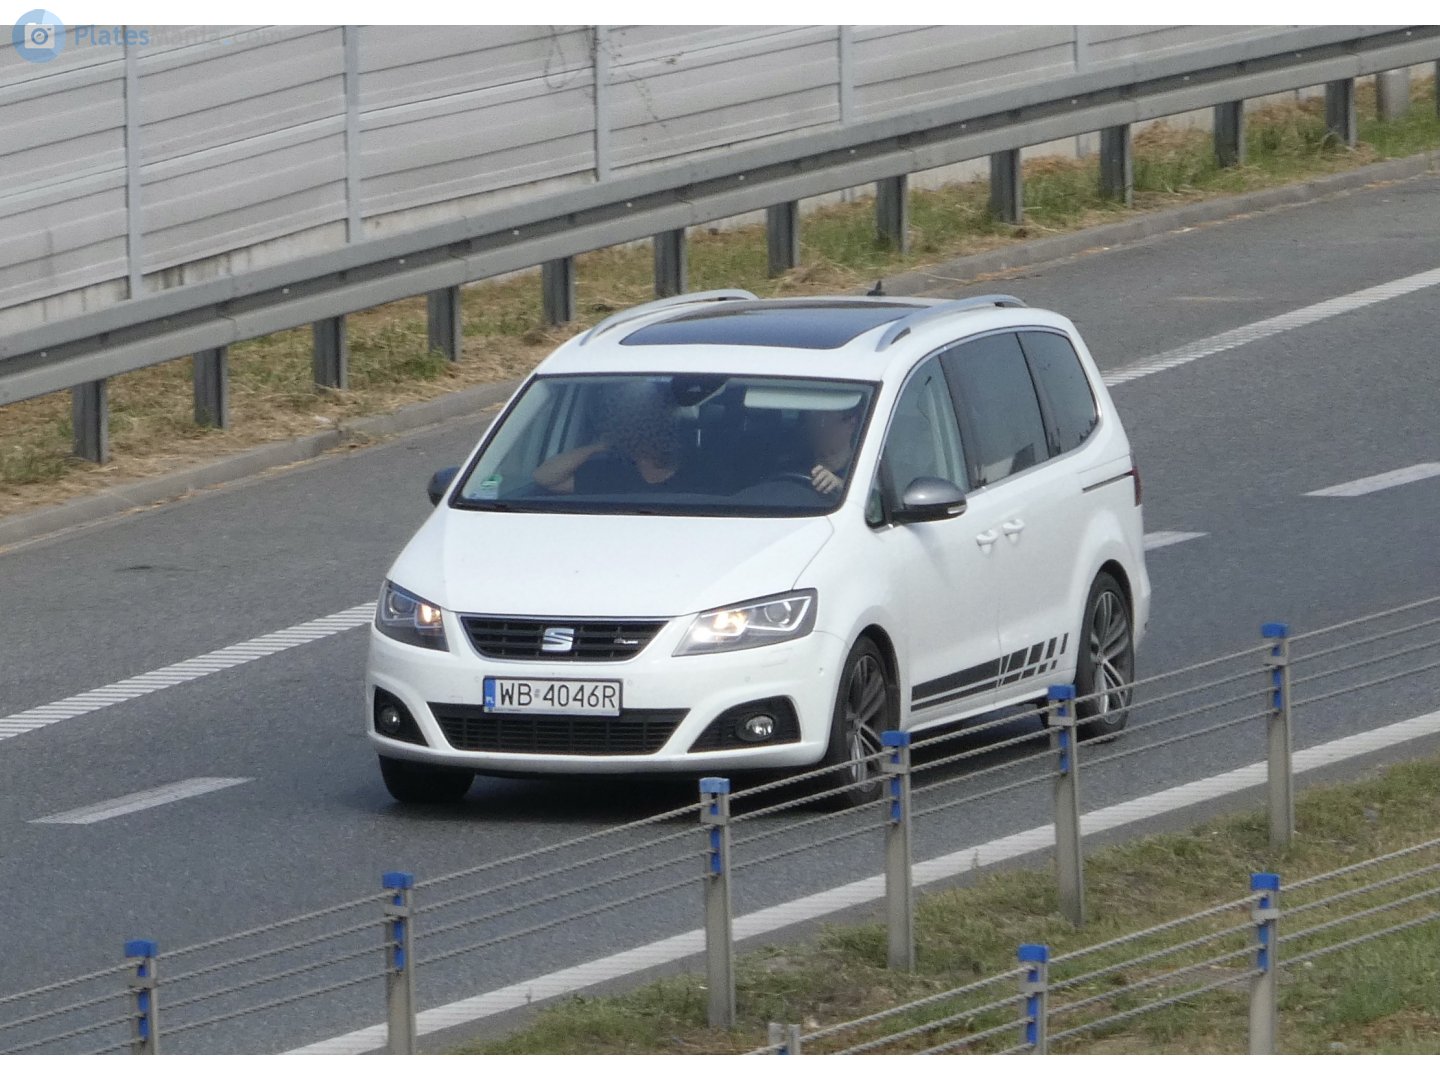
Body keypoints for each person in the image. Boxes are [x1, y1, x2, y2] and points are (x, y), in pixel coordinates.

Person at [533, 386, 691, 495]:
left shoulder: (701, 467)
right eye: (631, 430)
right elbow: (544, 477)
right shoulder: (611, 471)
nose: (644, 437)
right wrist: (596, 447)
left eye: (650, 430)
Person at [804, 405, 862, 495]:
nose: (820, 426)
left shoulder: (864, 467)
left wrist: (841, 487)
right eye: (815, 418)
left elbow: (872, 503)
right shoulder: (794, 463)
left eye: (826, 421)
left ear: (851, 425)